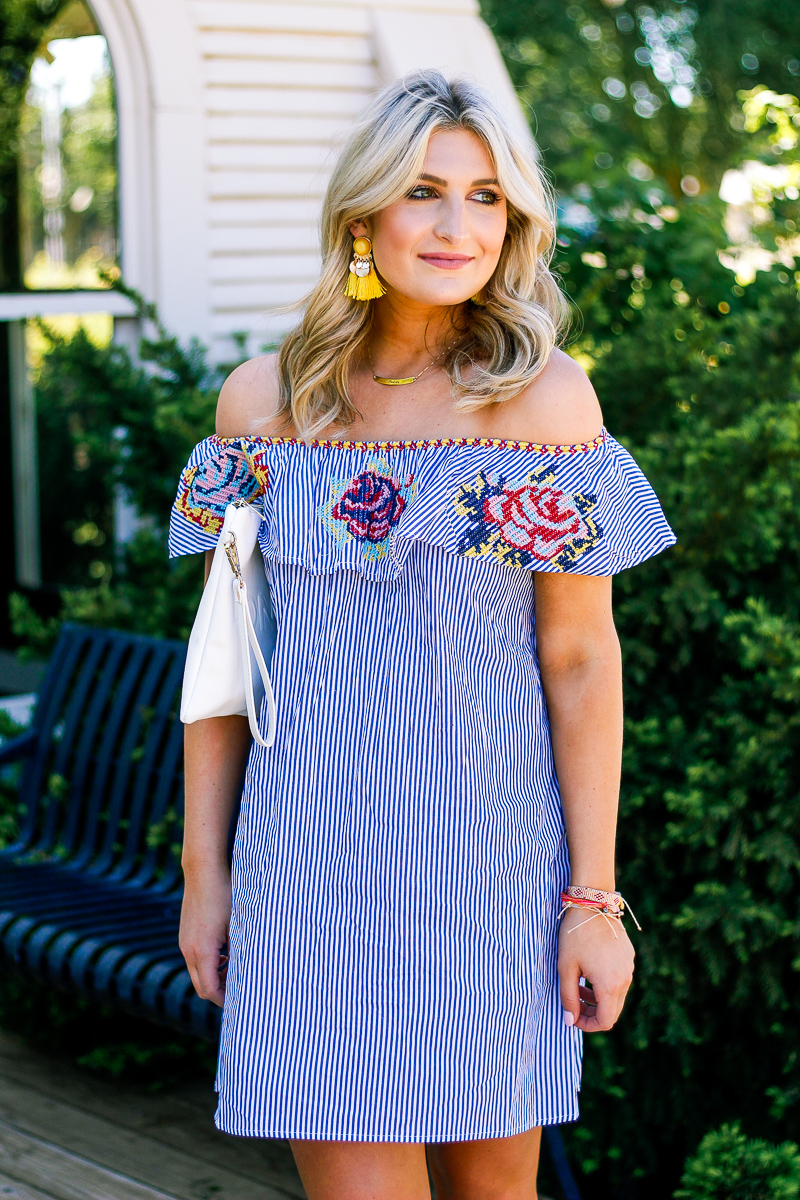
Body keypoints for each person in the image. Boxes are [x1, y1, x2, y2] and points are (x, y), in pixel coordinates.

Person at [171, 70, 675, 1200]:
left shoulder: (541, 405)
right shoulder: (263, 408)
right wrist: (205, 876)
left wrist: (592, 900)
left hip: (491, 875)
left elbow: (580, 657)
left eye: (487, 197)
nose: (458, 227)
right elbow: (223, 664)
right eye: (425, 192)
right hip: (307, 872)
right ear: (363, 217)